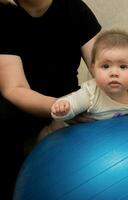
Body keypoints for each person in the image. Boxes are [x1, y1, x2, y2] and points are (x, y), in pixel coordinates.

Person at [0, 0, 101, 198]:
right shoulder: (3, 14)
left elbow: (105, 65)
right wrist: (61, 109)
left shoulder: (74, 8)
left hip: (67, 99)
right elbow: (14, 88)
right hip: (17, 109)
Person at [45, 29, 128, 137]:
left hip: (118, 138)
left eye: (123, 67)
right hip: (90, 140)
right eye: (106, 66)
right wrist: (63, 109)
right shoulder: (91, 94)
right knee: (53, 132)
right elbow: (73, 104)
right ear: (93, 68)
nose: (114, 73)